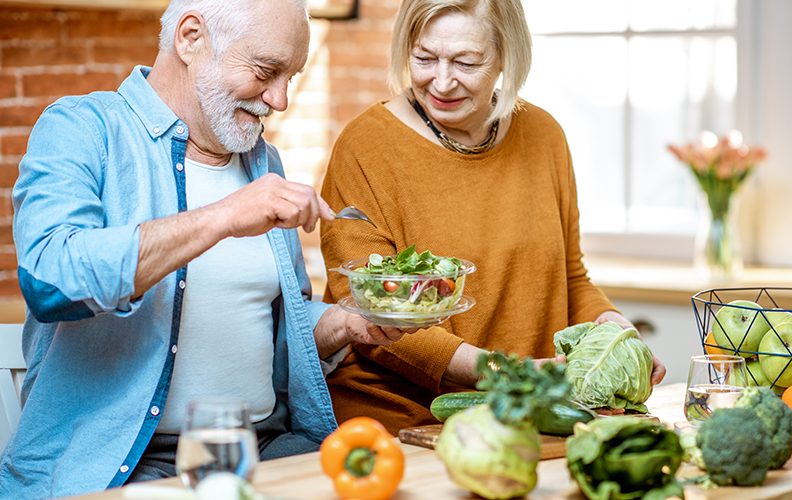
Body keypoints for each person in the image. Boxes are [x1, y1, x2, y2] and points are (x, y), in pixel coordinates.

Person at [0, 1, 410, 498]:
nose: (279, 100)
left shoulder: (264, 162)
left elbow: (275, 327)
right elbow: (50, 279)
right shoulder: (83, 129)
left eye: (291, 78)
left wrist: (347, 324)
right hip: (123, 465)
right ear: (191, 38)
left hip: (267, 449)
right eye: (265, 71)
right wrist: (222, 217)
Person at [319, 0, 666, 435]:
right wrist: (505, 373)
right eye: (424, 58)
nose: (441, 82)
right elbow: (371, 314)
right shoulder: (366, 146)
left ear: (507, 55)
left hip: (529, 414)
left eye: (467, 61)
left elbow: (569, 277)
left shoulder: (544, 136)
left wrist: (616, 333)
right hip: (407, 423)